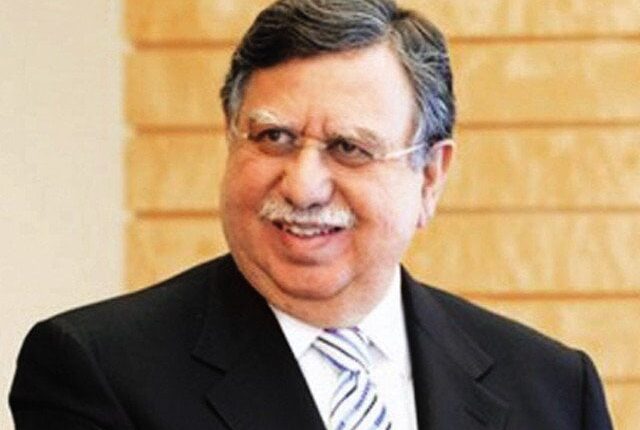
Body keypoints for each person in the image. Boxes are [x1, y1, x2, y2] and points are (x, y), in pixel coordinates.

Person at [10, 1, 613, 429]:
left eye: (349, 148)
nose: (302, 186)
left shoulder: (554, 391)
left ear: (430, 176)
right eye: (273, 137)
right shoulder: (95, 371)